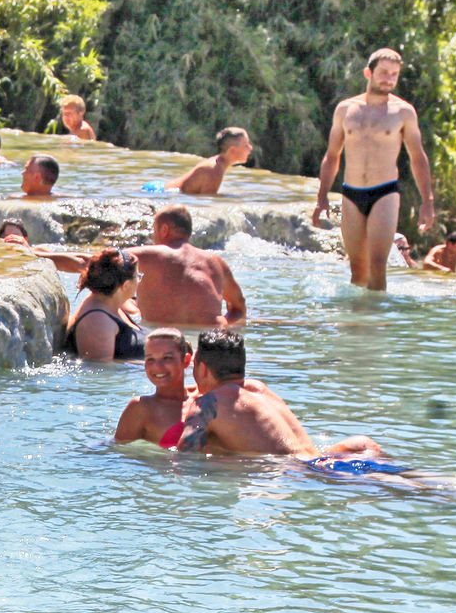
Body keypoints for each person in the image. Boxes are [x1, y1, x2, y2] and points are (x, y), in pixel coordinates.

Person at [313, 47, 435, 291]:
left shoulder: (403, 112)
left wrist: (427, 201)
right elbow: (332, 156)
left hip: (385, 193)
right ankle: (357, 320)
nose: (389, 79)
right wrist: (321, 197)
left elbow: (417, 157)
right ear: (368, 72)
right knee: (357, 268)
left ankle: (376, 322)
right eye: (384, 72)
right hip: (351, 192)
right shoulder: (346, 109)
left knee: (378, 264)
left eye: (394, 74)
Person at [173, 332, 385, 461]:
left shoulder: (206, 404)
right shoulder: (258, 389)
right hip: (325, 461)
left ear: (202, 368)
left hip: (301, 474)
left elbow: (187, 459)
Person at [40, 206, 245, 327]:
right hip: (208, 343)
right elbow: (239, 308)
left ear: (164, 229)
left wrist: (36, 254)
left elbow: (87, 263)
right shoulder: (217, 263)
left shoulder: (147, 256)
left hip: (161, 340)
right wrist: (222, 329)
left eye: (154, 230)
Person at [113, 329, 194, 446]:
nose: (157, 366)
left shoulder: (204, 397)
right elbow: (118, 450)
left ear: (186, 361)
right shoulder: (140, 408)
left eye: (167, 358)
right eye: (150, 359)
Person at [62, 248, 145, 361]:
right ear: (125, 285)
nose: (139, 281)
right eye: (138, 276)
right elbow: (101, 372)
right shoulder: (97, 321)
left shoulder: (110, 305)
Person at [169, 127, 249, 196]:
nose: (250, 148)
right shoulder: (214, 171)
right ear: (232, 150)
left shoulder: (217, 163)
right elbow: (206, 202)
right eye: (246, 145)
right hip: (165, 192)